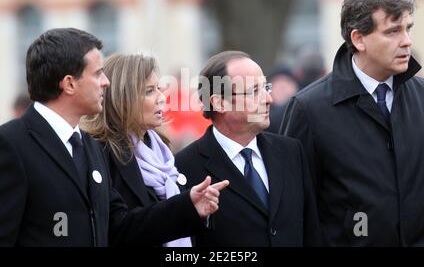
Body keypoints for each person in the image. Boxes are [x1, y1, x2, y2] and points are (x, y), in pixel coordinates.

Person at [0, 28, 228, 246]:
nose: (106, 82)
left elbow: (119, 227)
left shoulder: (87, 146)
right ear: (69, 83)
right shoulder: (11, 143)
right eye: (97, 74)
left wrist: (187, 206)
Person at [280, 0, 424, 246]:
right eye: (393, 31)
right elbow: (294, 206)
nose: (407, 41)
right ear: (358, 39)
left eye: (408, 28)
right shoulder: (310, 109)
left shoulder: (422, 96)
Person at [175, 51, 321, 246]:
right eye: (254, 91)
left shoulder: (290, 152)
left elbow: (311, 232)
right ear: (219, 102)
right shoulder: (185, 167)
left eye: (266, 88)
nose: (269, 99)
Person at [82, 53, 224, 247]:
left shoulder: (161, 150)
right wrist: (185, 206)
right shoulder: (100, 153)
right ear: (122, 98)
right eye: (149, 91)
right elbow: (118, 228)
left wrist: (197, 210)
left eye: (159, 88)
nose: (162, 98)